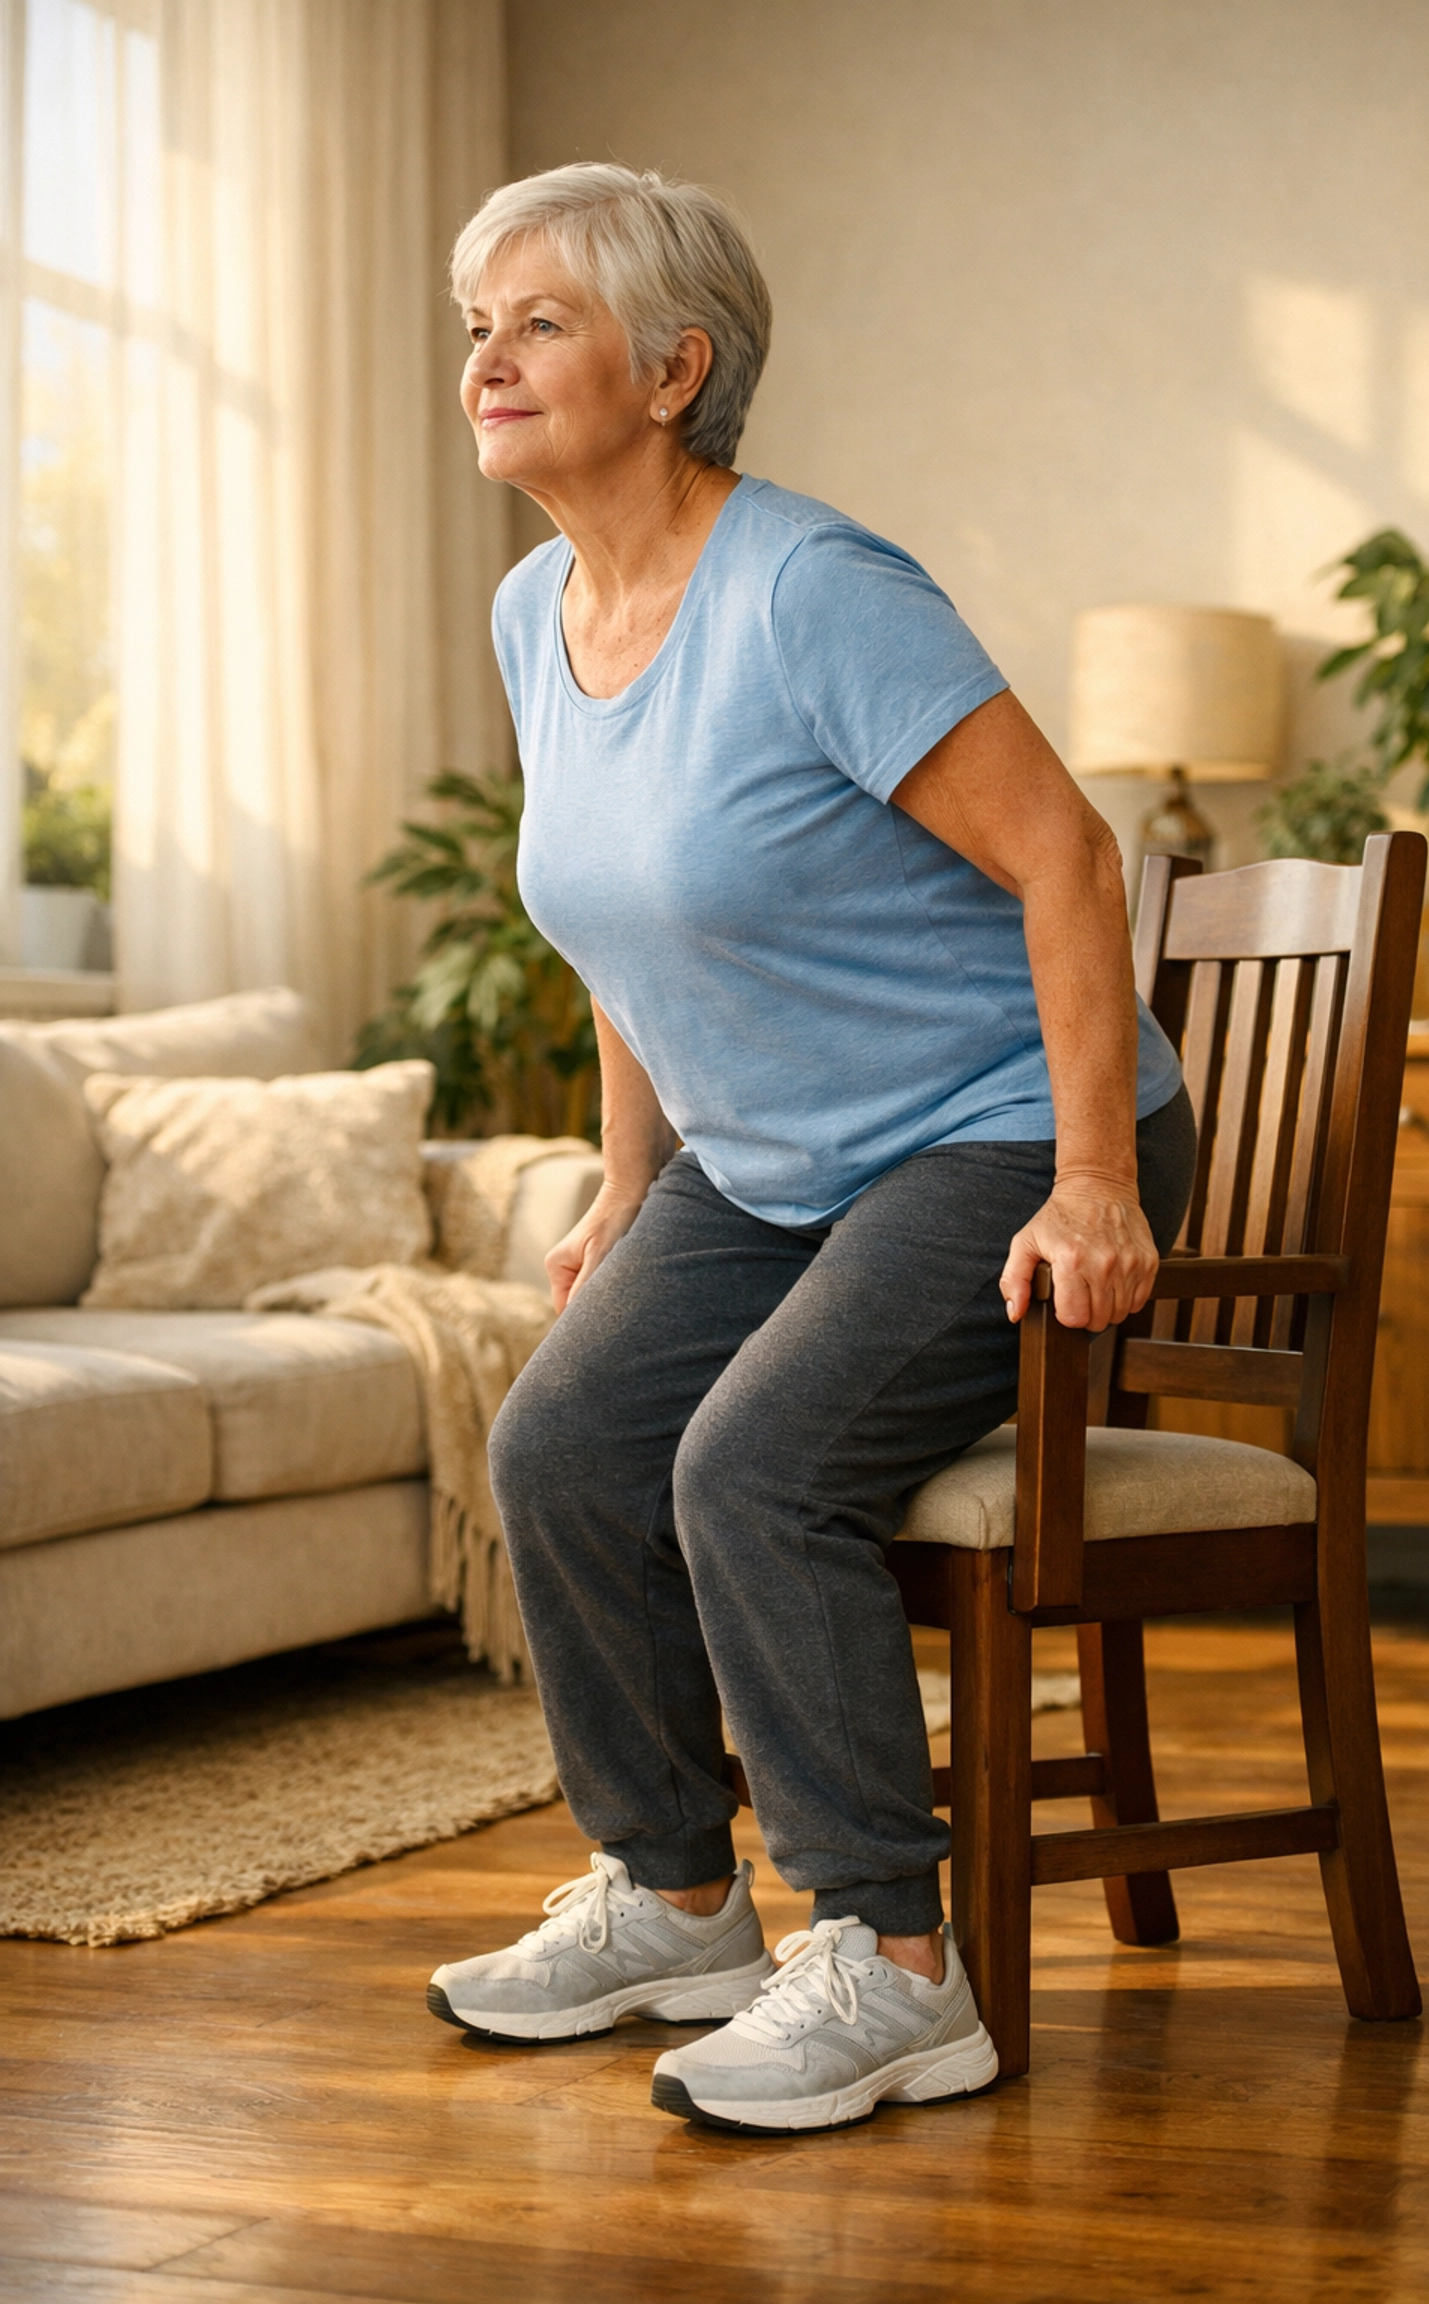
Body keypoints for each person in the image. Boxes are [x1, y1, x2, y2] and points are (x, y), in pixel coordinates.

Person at [426, 162, 1195, 2134]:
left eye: (538, 321)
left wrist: (1095, 1172)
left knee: (750, 1467)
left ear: (676, 369)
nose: (484, 358)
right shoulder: (540, 614)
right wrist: (619, 1187)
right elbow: (628, 931)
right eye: (473, 324)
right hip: (769, 1166)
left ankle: (898, 1966)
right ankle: (677, 1897)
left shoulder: (806, 589)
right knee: (561, 1448)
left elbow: (1068, 860)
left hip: (995, 1130)